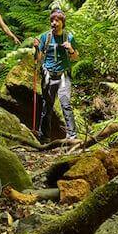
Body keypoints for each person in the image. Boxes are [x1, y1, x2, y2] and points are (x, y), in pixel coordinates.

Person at [33, 8, 78, 141]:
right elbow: (38, 58)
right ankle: (44, 137)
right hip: (48, 74)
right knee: (47, 106)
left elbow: (75, 57)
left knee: (66, 104)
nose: (54, 23)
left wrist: (70, 49)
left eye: (57, 20)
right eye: (52, 20)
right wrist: (36, 48)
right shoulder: (44, 37)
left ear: (62, 22)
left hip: (63, 74)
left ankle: (72, 136)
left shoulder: (68, 37)